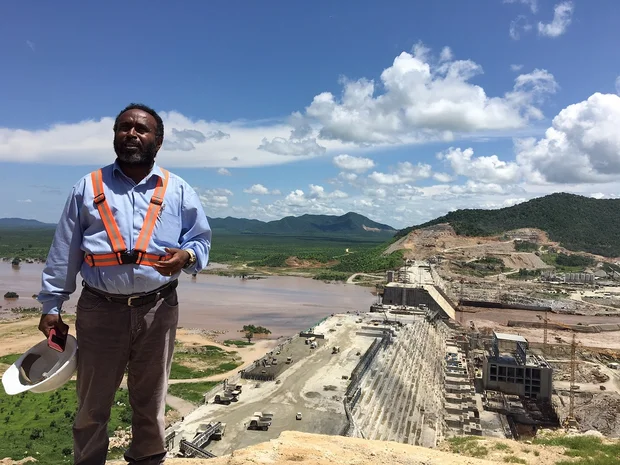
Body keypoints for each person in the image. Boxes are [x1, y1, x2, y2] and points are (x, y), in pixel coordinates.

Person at [37, 103, 212, 465]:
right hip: (100, 309)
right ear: (115, 135)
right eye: (124, 127)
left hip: (158, 309)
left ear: (157, 142)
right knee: (92, 404)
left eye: (141, 129)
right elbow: (64, 250)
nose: (131, 133)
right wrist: (52, 305)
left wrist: (187, 257)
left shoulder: (177, 189)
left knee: (151, 400)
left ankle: (147, 460)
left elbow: (200, 240)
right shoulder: (87, 187)